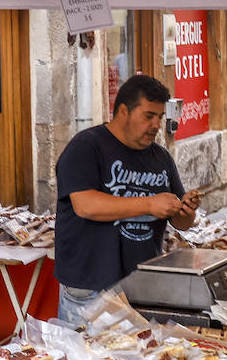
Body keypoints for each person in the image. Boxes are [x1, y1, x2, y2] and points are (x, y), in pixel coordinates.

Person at [54, 74, 200, 321]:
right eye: (148, 116)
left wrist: (185, 210)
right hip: (90, 288)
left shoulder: (161, 158)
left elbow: (182, 224)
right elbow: (85, 205)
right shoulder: (86, 147)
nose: (156, 124)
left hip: (142, 286)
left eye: (160, 117)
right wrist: (150, 204)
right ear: (123, 111)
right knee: (86, 358)